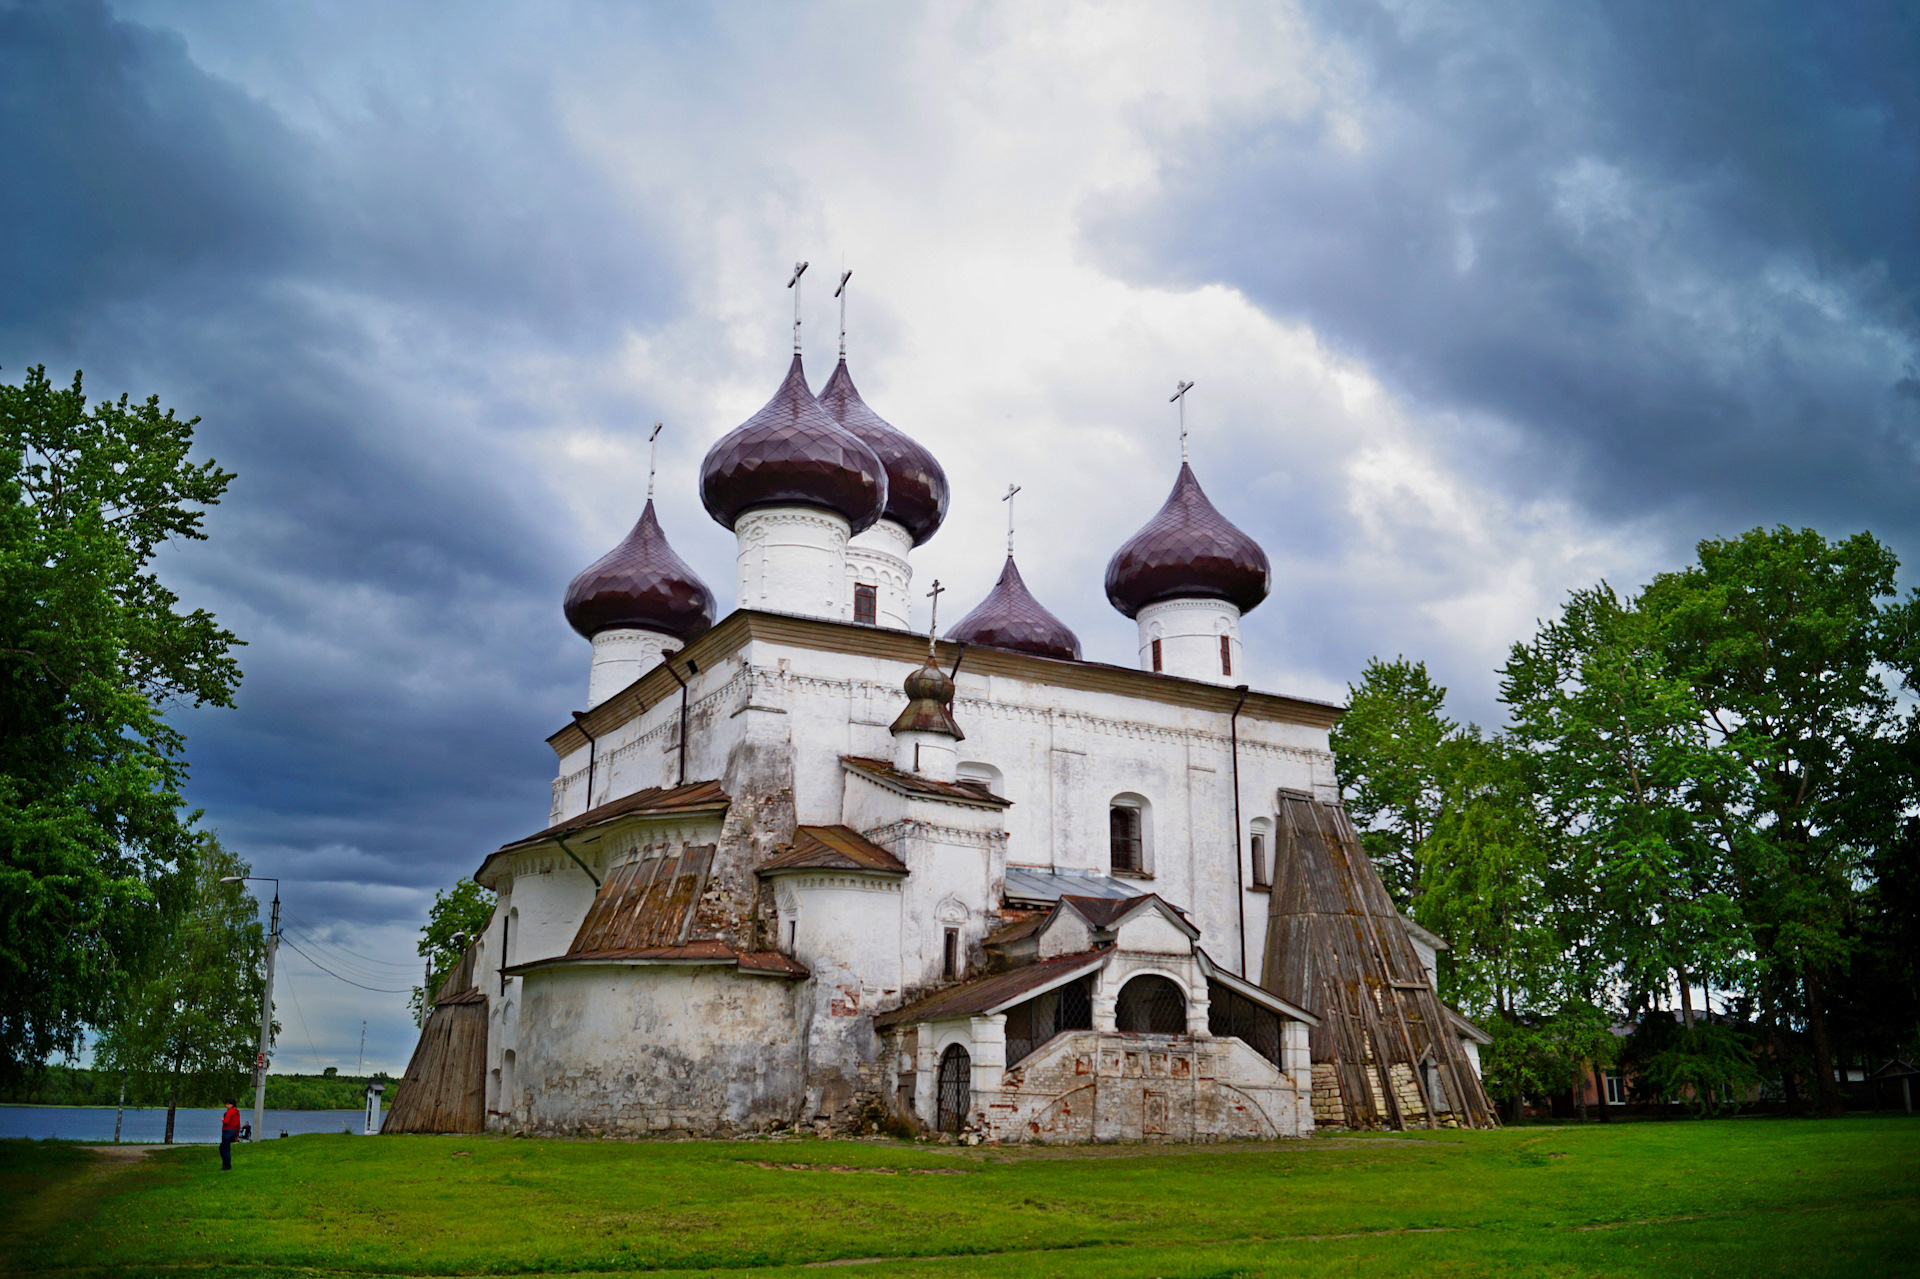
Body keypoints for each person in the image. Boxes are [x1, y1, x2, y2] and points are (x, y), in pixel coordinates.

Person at [220, 1099, 241, 1170]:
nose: (226, 1105)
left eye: (228, 1104)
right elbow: (238, 1124)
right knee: (225, 1148)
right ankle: (227, 1165)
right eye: (226, 1104)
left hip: (227, 1131)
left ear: (232, 1105)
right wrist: (237, 1135)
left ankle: (226, 1166)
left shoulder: (230, 1112)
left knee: (224, 1149)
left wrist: (222, 1120)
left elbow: (226, 1122)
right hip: (234, 1131)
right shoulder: (237, 1113)